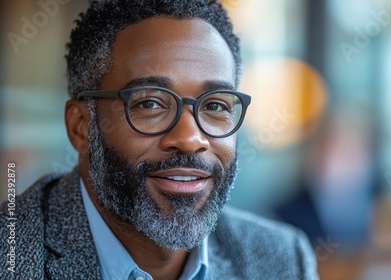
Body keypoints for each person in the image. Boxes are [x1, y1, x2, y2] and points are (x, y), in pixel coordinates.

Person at [0, 1, 318, 279]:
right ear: (81, 126)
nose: (191, 139)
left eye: (215, 105)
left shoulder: (282, 259)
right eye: (150, 103)